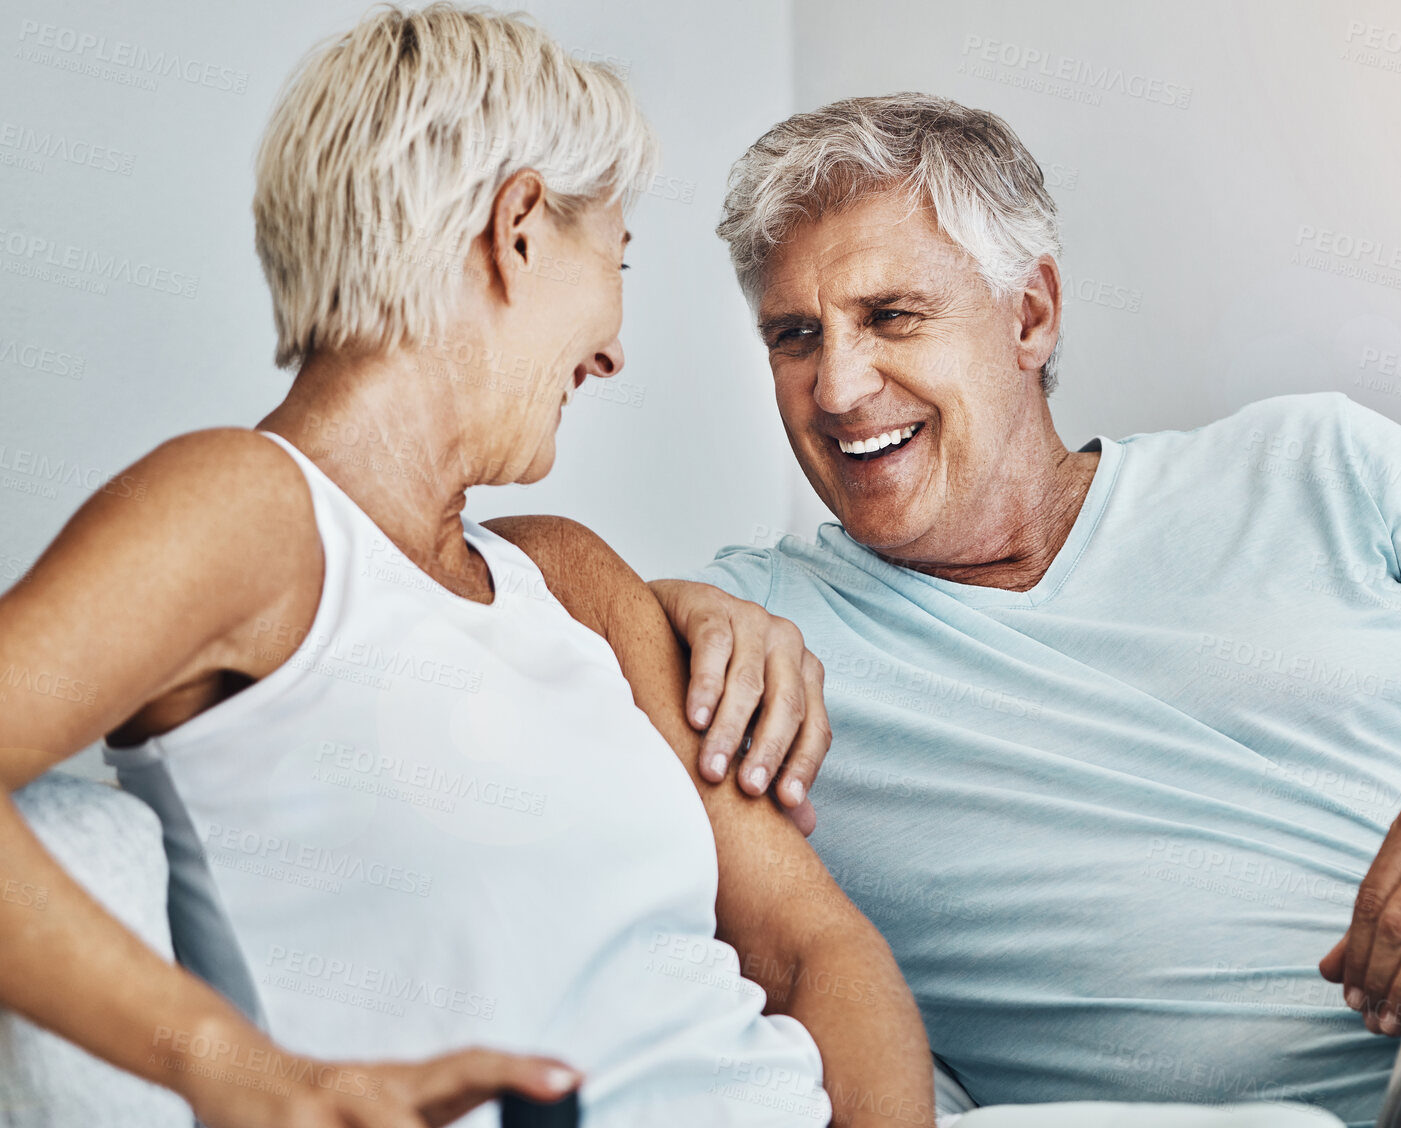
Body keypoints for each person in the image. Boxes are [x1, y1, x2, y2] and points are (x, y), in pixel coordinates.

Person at [648, 93, 1401, 1127]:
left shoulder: (1320, 465)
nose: (837, 388)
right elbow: (503, 594)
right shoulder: (749, 633)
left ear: (1029, 314)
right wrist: (663, 602)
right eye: (793, 337)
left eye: (889, 316)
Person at [0, 10, 934, 1126]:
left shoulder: (569, 575)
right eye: (617, 258)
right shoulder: (248, 511)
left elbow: (813, 949)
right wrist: (233, 1065)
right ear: (520, 228)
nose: (614, 348)